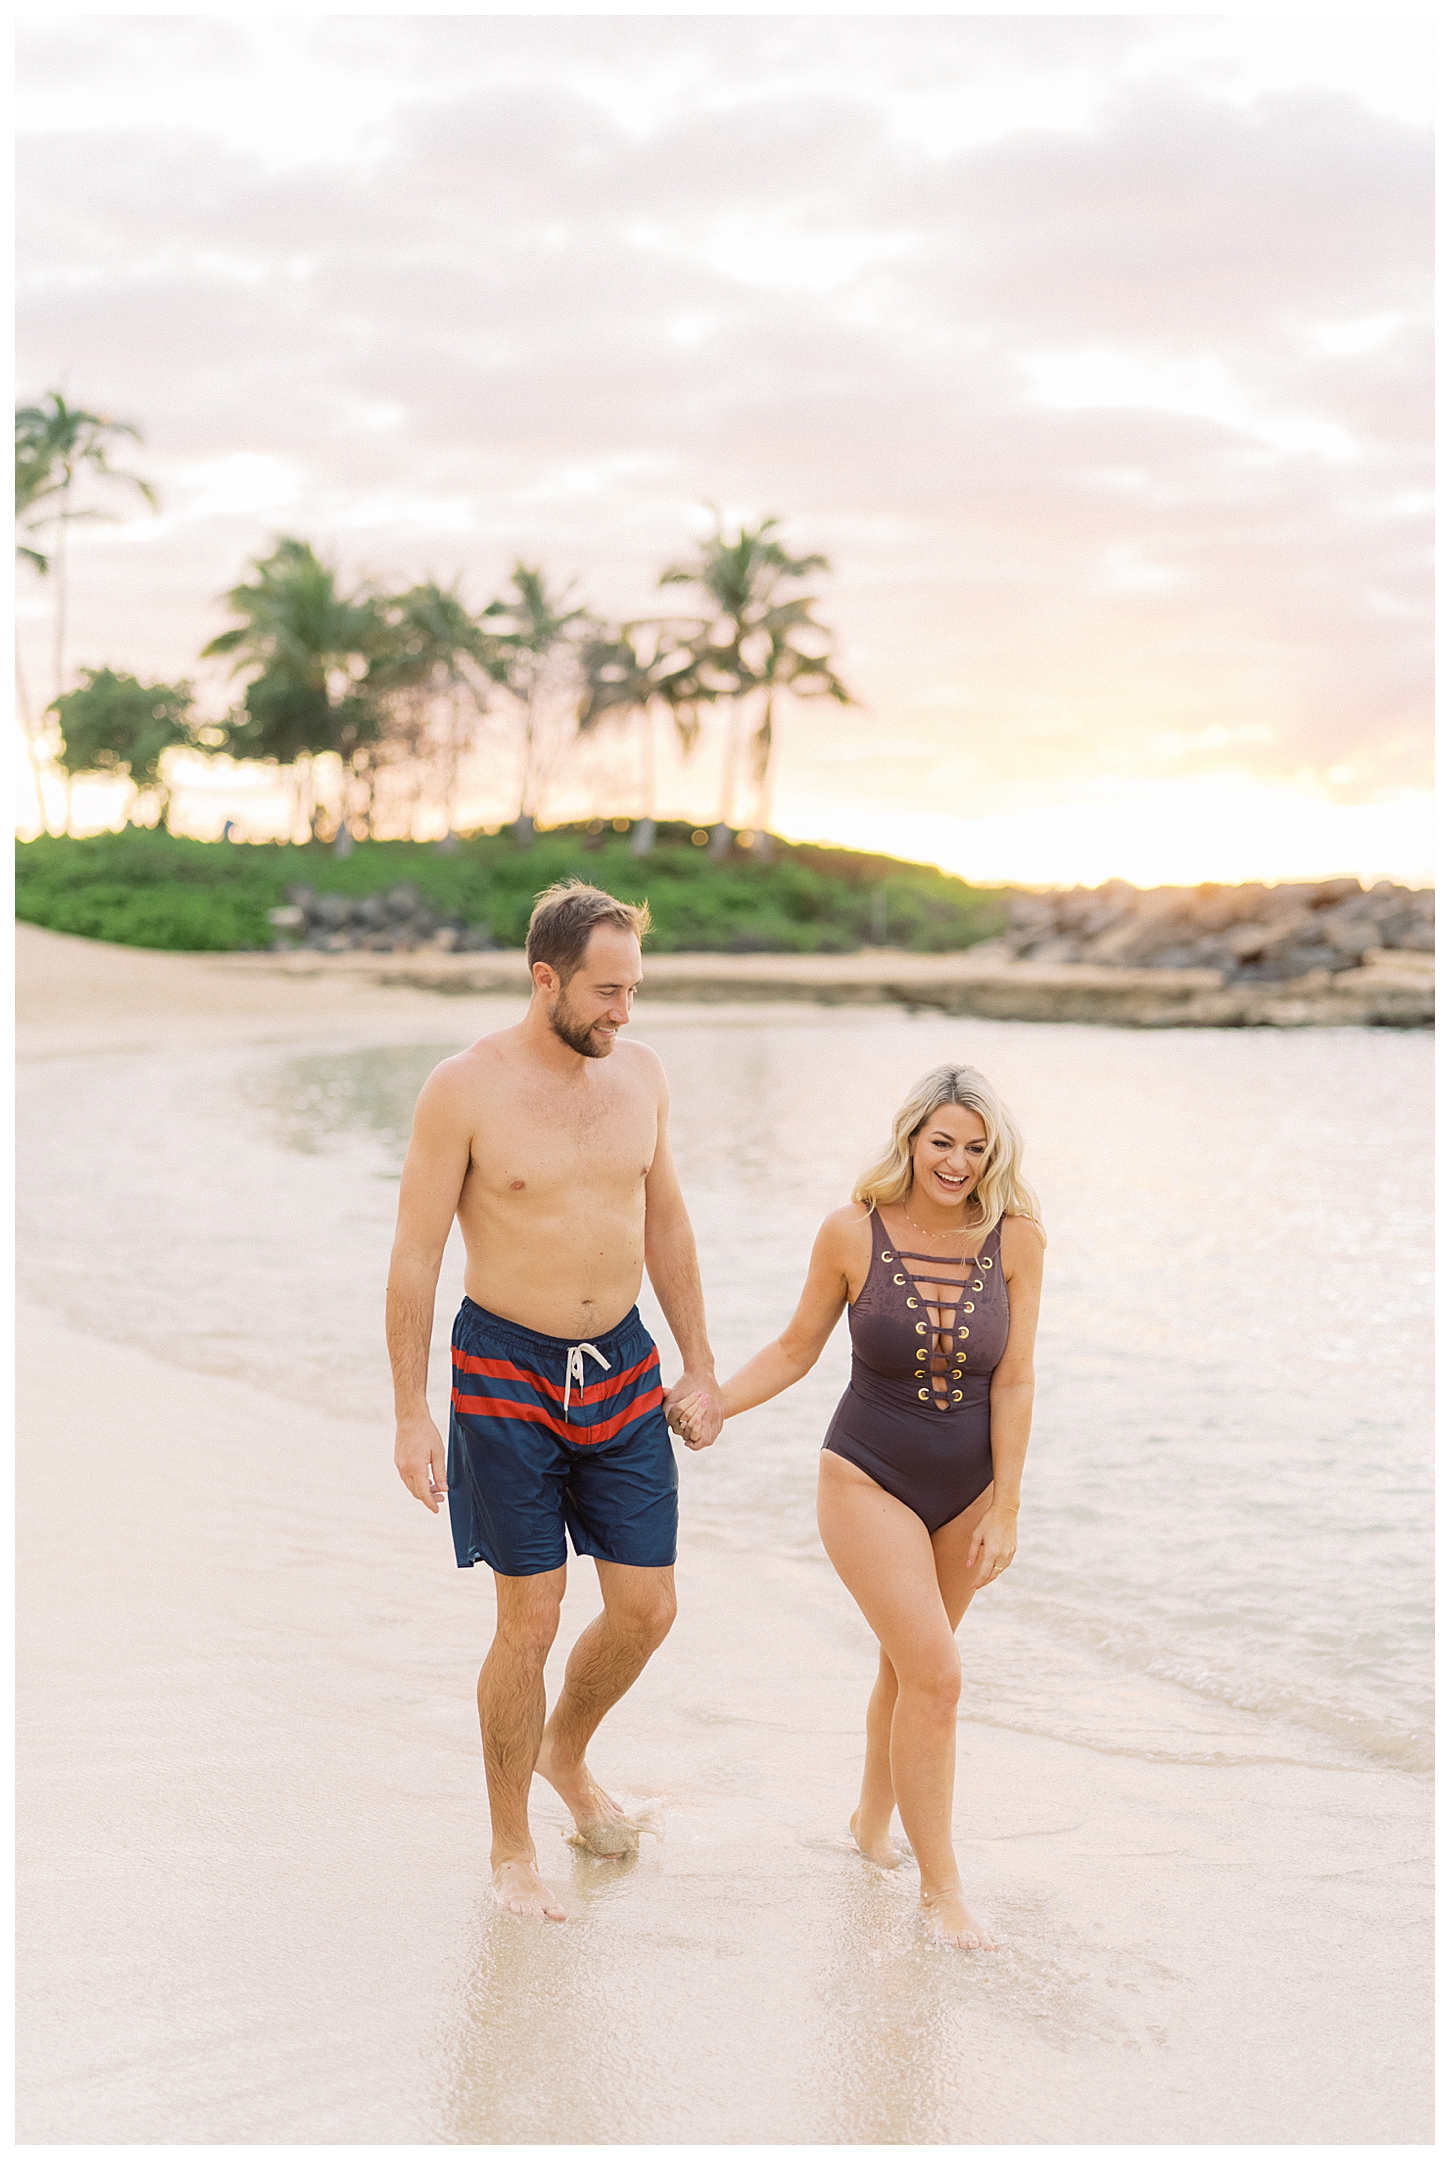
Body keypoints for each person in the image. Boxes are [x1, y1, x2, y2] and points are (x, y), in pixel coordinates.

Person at [386, 879, 723, 1924]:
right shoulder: (464, 1087)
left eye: (634, 990)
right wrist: (409, 1412)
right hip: (502, 1368)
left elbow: (665, 1223)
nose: (624, 1014)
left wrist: (699, 1365)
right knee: (529, 1618)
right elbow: (414, 1257)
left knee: (646, 1606)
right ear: (546, 980)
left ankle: (563, 1753)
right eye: (606, 992)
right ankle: (510, 1851)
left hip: (621, 1365)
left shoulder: (644, 1078)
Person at [673, 1063, 1044, 1951]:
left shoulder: (1018, 1239)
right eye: (941, 1141)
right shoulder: (852, 1232)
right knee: (939, 1675)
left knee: (909, 1669)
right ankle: (940, 1889)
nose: (955, 1162)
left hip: (970, 1494)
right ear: (910, 1138)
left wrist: (1010, 1507)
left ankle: (872, 1828)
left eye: (974, 1147)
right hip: (867, 1477)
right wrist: (717, 1399)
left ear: (994, 1156)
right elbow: (798, 1349)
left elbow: (1019, 1377)